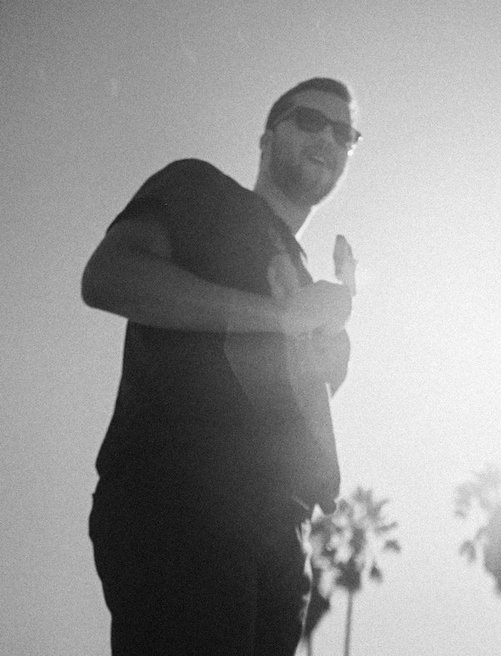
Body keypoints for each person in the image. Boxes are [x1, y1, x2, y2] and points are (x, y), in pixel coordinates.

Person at [81, 77, 361, 655]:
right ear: (267, 137)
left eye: (344, 133)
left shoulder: (312, 290)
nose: (328, 139)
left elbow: (277, 403)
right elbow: (108, 276)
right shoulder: (201, 190)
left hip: (283, 543)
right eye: (310, 120)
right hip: (182, 504)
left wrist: (328, 354)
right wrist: (278, 318)